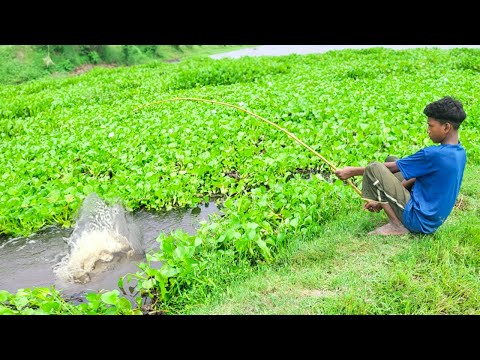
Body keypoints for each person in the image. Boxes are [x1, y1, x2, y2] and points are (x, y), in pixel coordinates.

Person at [334, 96, 467, 236]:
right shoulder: (459, 152)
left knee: (374, 168)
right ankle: (388, 207)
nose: (428, 130)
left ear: (446, 127)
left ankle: (396, 225)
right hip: (431, 220)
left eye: (430, 125)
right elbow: (416, 176)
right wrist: (382, 201)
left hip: (418, 220)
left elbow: (392, 167)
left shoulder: (434, 154)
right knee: (392, 159)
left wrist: (352, 171)